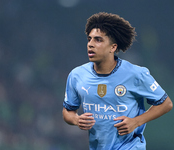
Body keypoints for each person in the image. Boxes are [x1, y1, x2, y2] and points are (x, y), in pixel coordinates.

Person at [62, 12, 173, 150]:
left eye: (98, 40)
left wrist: (136, 122)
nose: (90, 44)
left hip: (130, 146)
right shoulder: (77, 75)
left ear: (113, 47)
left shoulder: (135, 74)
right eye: (89, 39)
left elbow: (165, 103)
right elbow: (68, 111)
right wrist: (76, 120)